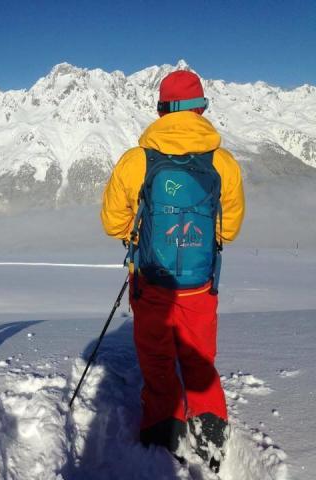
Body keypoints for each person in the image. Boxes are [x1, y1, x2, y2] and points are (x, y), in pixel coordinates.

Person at [100, 70, 245, 471]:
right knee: (199, 357)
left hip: (152, 282)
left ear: (162, 109)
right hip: (200, 284)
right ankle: (211, 426)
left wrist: (139, 235)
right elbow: (228, 229)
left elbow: (113, 221)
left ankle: (164, 430)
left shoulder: (136, 161)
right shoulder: (224, 163)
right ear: (201, 109)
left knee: (158, 358)